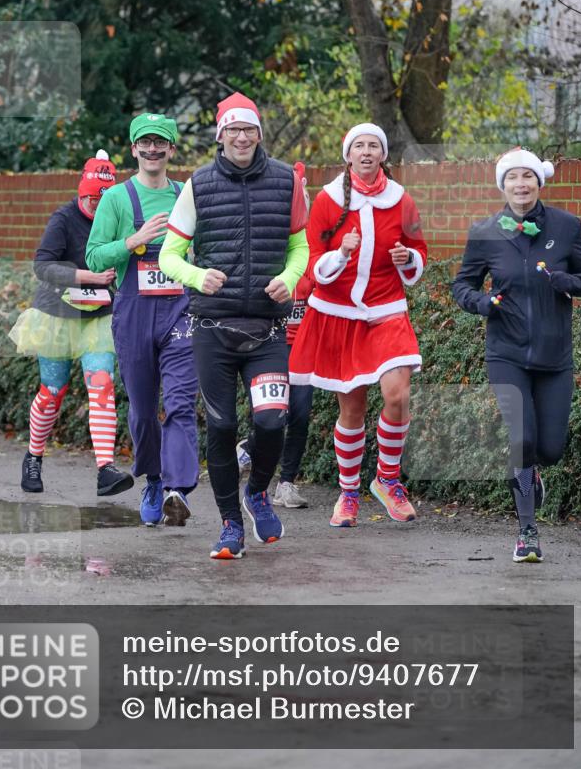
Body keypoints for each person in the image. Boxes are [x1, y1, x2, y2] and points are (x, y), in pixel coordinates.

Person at [159, 92, 309, 559]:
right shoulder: (198, 185)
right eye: (233, 130)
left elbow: (300, 248)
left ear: (259, 134)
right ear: (220, 136)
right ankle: (229, 527)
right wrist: (196, 275)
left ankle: (257, 493)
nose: (241, 137)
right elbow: (168, 255)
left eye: (249, 129)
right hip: (212, 330)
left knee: (271, 421)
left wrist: (288, 279)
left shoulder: (287, 181)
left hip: (265, 331)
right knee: (221, 427)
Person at [452, 147, 581, 562]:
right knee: (522, 439)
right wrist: (482, 302)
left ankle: (533, 475)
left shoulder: (567, 226)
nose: (520, 184)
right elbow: (462, 285)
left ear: (538, 182)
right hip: (506, 353)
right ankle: (527, 532)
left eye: (527, 177)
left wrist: (567, 280)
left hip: (555, 357)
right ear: (503, 185)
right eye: (512, 178)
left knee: (549, 449)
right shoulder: (485, 232)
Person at [289, 124, 427, 528]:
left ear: (382, 155)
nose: (366, 152)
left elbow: (420, 251)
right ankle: (348, 493)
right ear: (348, 155)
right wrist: (340, 254)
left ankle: (387, 480)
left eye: (374, 146)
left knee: (397, 395)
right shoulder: (329, 201)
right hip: (338, 315)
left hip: (386, 310)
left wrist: (407, 259)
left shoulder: (401, 200)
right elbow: (313, 262)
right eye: (359, 146)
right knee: (352, 407)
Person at [85, 115, 200, 528]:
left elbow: (205, 249)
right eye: (144, 143)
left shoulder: (188, 195)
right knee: (143, 409)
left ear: (172, 150)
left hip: (180, 311)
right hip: (133, 312)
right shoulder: (117, 199)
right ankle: (153, 479)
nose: (153, 149)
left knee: (182, 401)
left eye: (161, 143)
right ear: (133, 149)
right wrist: (133, 241)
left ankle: (177, 489)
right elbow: (94, 257)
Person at [9, 150, 133, 497]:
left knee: (102, 384)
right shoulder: (63, 218)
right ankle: (33, 457)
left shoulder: (118, 219)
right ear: (81, 193)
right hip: (57, 316)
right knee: (53, 391)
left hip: (97, 318)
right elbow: (42, 266)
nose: (95, 206)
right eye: (91, 198)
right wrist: (88, 275)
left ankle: (105, 470)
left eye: (102, 200)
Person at [237, 162, 315, 509]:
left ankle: (286, 483)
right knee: (275, 413)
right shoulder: (265, 246)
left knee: (299, 412)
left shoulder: (314, 249)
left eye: (303, 198)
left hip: (304, 347)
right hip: (271, 343)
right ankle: (251, 449)